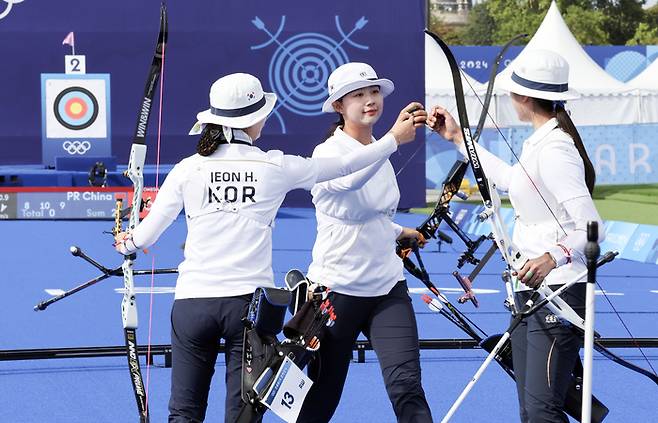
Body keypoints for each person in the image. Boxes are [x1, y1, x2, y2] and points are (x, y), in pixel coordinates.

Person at [113, 72, 426, 423]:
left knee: (184, 413)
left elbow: (146, 235)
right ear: (254, 119)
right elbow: (346, 165)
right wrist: (393, 140)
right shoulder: (275, 166)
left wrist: (127, 242)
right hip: (249, 308)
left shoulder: (189, 168)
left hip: (192, 305)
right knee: (244, 415)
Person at [427, 50, 604, 422]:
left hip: (557, 293)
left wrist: (552, 256)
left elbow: (591, 226)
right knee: (531, 408)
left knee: (542, 410)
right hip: (530, 291)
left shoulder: (556, 149)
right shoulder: (541, 140)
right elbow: (511, 181)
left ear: (522, 97)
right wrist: (458, 137)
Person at [297, 62, 433, 423]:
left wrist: (399, 232)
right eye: (358, 95)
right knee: (322, 395)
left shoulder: (378, 148)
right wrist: (392, 141)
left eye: (374, 92)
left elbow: (371, 215)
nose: (370, 100)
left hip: (388, 287)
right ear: (339, 106)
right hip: (337, 292)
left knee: (407, 387)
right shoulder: (326, 153)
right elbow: (347, 183)